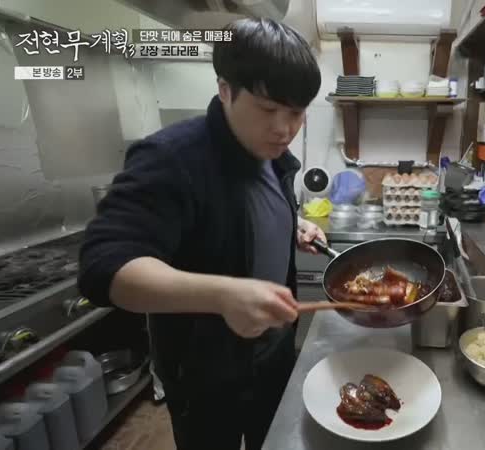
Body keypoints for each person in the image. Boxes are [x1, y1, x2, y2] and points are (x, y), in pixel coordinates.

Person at [78, 18, 324, 450]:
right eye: (268, 110)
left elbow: (239, 220)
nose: (284, 128)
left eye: (297, 113)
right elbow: (104, 266)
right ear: (225, 90)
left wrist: (291, 225)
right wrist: (222, 295)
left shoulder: (271, 155)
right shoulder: (172, 157)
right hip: (207, 376)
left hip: (274, 359)